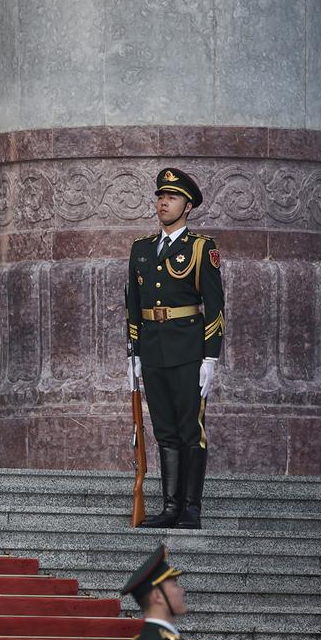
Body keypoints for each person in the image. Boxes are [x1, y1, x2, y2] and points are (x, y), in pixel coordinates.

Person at [127, 168, 224, 530]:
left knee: (189, 428)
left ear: (188, 205)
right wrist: (133, 353)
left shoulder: (201, 248)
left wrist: (210, 356)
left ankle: (191, 508)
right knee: (164, 429)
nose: (162, 202)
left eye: (171, 197)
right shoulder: (141, 248)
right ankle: (170, 507)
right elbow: (132, 303)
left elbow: (214, 305)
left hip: (188, 349)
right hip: (152, 349)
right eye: (159, 196)